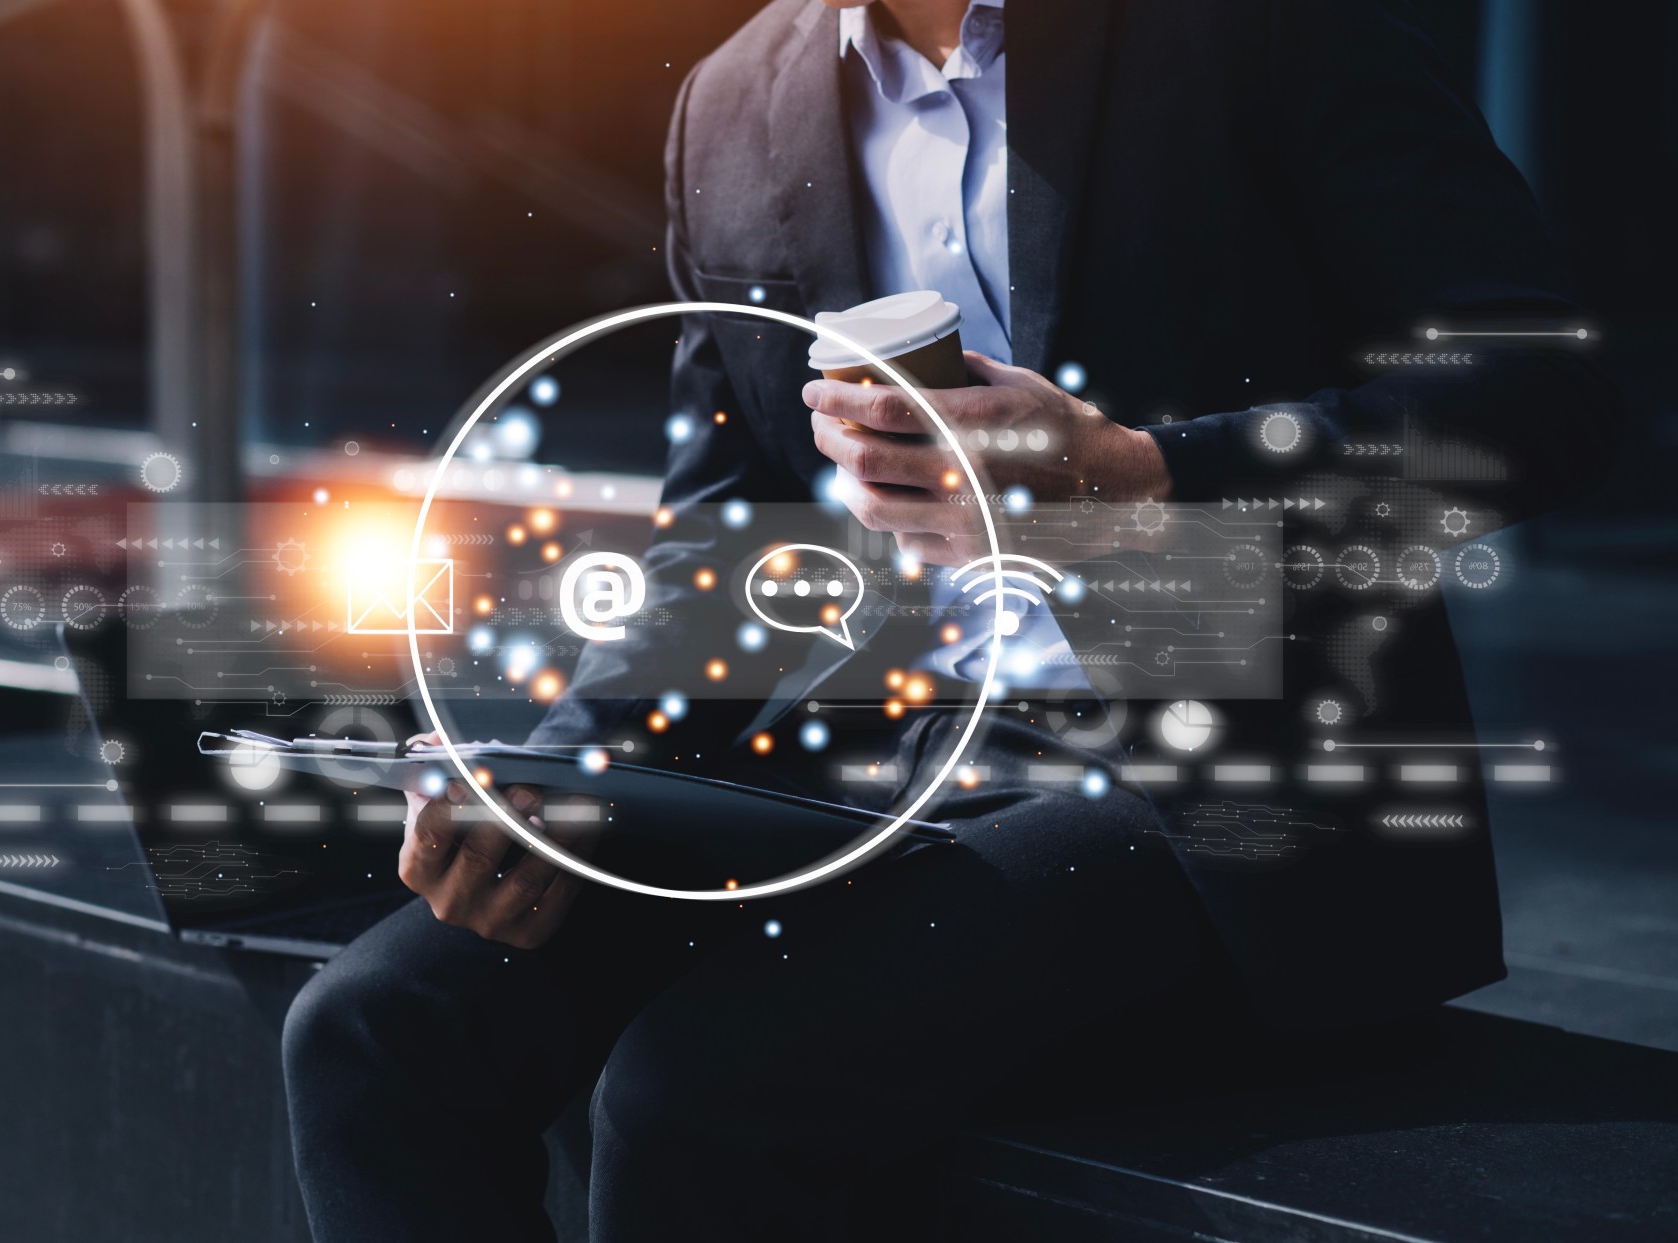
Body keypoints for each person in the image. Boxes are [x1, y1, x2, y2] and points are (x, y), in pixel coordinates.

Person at [282, 1, 1618, 1239]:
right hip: (878, 756)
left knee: (707, 1086)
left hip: (1223, 774)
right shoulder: (738, 96)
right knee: (375, 1025)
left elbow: (1538, 406)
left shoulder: (1253, 25)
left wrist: (1145, 475)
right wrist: (560, 781)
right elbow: (728, 538)